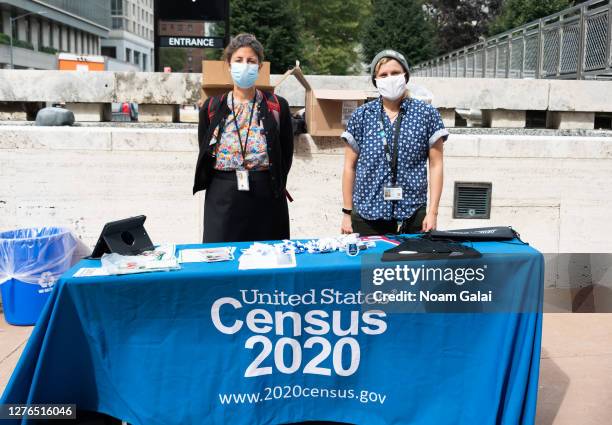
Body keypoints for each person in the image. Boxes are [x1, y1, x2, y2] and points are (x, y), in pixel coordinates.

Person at [193, 34, 294, 243]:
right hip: (223, 195)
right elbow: (204, 147)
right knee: (221, 260)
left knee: (269, 256)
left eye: (251, 61)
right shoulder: (212, 107)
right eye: (238, 60)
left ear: (259, 66)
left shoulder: (277, 106)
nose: (244, 66)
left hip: (267, 193)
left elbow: (286, 153)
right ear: (228, 65)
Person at [340, 49, 448, 236]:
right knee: (369, 265)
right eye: (383, 75)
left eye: (395, 73)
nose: (390, 78)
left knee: (410, 265)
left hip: (414, 214)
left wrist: (433, 212)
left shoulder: (426, 114)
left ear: (405, 75)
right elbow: (349, 167)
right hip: (367, 214)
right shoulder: (362, 115)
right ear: (376, 80)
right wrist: (347, 213)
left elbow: (436, 165)